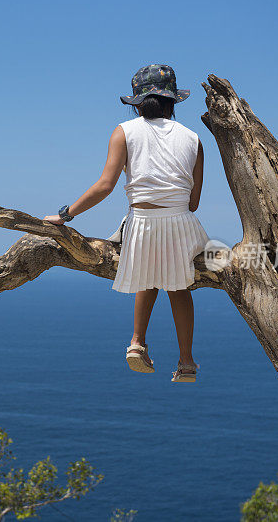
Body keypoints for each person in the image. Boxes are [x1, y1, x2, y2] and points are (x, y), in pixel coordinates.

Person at [43, 64, 209, 382]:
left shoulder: (124, 132)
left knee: (147, 273)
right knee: (180, 287)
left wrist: (65, 215)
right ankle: (186, 362)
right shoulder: (194, 139)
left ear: (137, 102)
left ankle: (137, 342)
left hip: (143, 222)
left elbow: (105, 186)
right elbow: (194, 202)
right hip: (181, 223)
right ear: (173, 101)